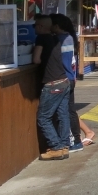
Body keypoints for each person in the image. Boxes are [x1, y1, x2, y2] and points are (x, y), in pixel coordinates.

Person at [50, 13, 96, 149]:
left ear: (56, 26)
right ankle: (79, 137)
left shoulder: (58, 40)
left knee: (66, 111)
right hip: (70, 77)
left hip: (62, 78)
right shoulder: (70, 38)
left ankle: (75, 140)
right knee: (70, 110)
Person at [32, 15, 70, 161]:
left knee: (43, 117)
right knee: (63, 115)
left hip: (52, 83)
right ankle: (64, 146)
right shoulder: (55, 38)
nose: (34, 28)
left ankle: (55, 147)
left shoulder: (41, 39)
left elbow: (36, 59)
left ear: (40, 27)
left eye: (35, 25)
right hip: (64, 80)